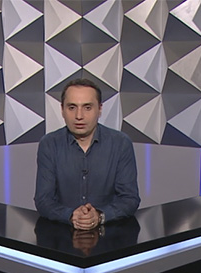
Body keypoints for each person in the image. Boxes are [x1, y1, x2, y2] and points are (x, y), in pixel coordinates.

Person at [34, 78, 140, 230]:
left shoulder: (121, 143)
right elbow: (43, 200)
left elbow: (129, 199)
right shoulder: (49, 144)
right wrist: (71, 215)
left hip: (111, 235)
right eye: (72, 107)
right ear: (62, 110)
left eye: (87, 107)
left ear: (100, 109)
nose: (79, 116)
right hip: (61, 235)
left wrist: (100, 215)